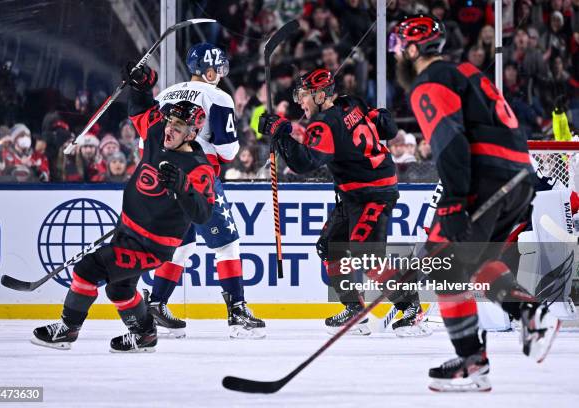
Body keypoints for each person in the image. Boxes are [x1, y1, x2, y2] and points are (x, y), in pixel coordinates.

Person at [390, 14, 560, 391]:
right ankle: (529, 315)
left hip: (487, 177)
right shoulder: (466, 71)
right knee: (479, 261)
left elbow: (451, 141)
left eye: (400, 47)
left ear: (415, 49)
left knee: (441, 262)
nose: (397, 55)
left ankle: (472, 362)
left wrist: (452, 201)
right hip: (518, 176)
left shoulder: (427, 82)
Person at [31, 63, 214, 352]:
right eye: (170, 122)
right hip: (127, 230)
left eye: (178, 127)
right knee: (120, 289)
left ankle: (68, 329)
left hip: (151, 247)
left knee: (88, 268)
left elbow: (202, 214)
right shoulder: (158, 134)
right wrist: (142, 84)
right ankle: (144, 335)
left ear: (191, 134)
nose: (169, 129)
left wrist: (183, 187)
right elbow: (141, 111)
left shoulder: (199, 169)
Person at [259, 68, 430, 337]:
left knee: (368, 257)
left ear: (319, 95)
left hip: (372, 194)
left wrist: (280, 135)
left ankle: (411, 307)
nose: (299, 102)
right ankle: (354, 309)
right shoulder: (351, 102)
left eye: (303, 95)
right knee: (329, 246)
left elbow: (305, 163)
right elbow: (388, 127)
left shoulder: (325, 123)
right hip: (356, 194)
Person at [149, 43, 265, 339]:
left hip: (160, 176)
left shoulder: (164, 94)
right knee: (227, 244)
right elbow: (226, 152)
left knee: (181, 245)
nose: (221, 73)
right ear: (209, 68)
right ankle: (237, 313)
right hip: (198, 178)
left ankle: (156, 305)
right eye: (219, 67)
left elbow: (144, 145)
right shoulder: (217, 96)